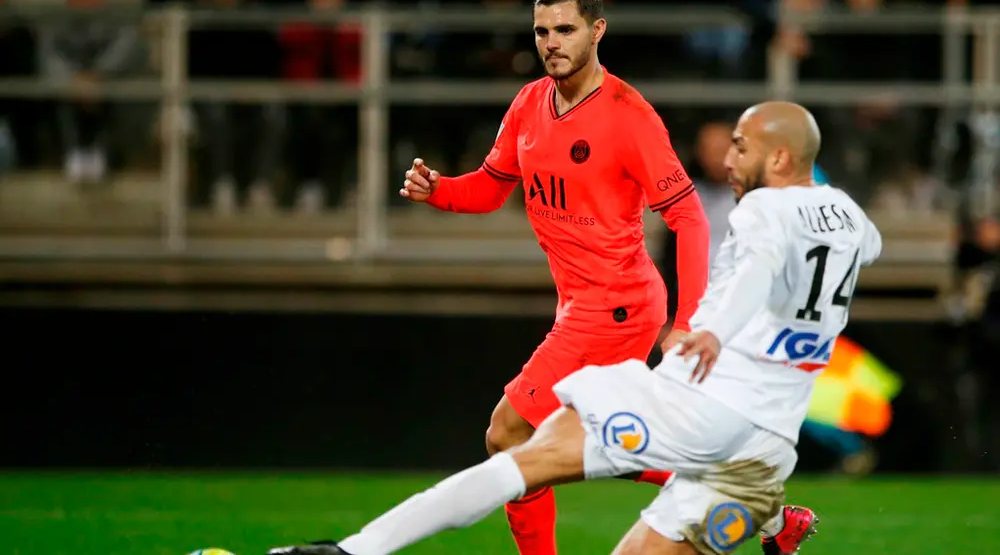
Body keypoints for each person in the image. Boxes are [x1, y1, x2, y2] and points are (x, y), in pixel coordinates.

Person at [266, 101, 870, 555]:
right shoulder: (850, 217)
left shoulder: (759, 207)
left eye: (740, 147)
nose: (729, 159)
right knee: (532, 451)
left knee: (518, 453)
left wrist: (707, 328)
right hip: (768, 446)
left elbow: (757, 267)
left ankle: (353, 550)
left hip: (699, 398)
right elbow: (857, 249)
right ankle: (771, 521)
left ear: (781, 158)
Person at [398, 0, 712, 555]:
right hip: (581, 303)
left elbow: (690, 218)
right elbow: (491, 189)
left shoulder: (627, 113)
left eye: (565, 29)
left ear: (597, 31)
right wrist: (439, 189)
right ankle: (734, 494)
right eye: (542, 31)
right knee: (577, 440)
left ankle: (725, 491)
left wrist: (686, 322)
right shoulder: (527, 103)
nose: (551, 42)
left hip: (616, 304)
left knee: (510, 434)